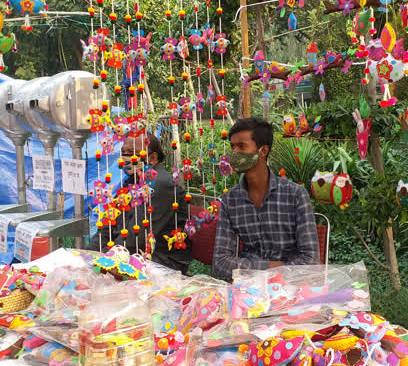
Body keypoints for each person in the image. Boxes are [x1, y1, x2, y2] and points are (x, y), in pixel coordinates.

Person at [212, 117, 320, 281]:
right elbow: (219, 263)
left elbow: (311, 261)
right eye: (232, 146)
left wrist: (250, 269)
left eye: (241, 146)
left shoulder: (296, 195)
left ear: (263, 151)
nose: (234, 153)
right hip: (248, 288)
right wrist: (269, 268)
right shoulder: (230, 200)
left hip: (291, 287)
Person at [87, 134, 192, 273]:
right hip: (131, 254)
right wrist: (87, 256)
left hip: (161, 262)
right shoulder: (131, 182)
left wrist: (102, 260)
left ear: (152, 158)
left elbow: (135, 238)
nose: (125, 158)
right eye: (123, 153)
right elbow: (108, 226)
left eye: (131, 153)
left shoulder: (160, 184)